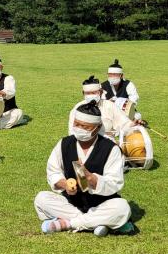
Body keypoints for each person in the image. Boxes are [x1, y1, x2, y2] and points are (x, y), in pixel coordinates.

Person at [34, 101, 134, 237]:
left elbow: (114, 183)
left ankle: (68, 223)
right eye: (77, 124)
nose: (79, 129)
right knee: (41, 198)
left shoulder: (110, 149)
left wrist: (90, 178)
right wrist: (64, 185)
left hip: (102, 204)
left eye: (85, 127)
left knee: (122, 208)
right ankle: (97, 223)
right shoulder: (64, 143)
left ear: (97, 128)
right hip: (73, 204)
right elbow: (53, 172)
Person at [68, 76, 135, 141]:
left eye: (94, 93)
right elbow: (72, 132)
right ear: (83, 94)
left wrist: (133, 125)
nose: (91, 95)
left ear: (100, 92)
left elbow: (124, 124)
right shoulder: (77, 109)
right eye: (88, 93)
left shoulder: (110, 106)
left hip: (108, 144)